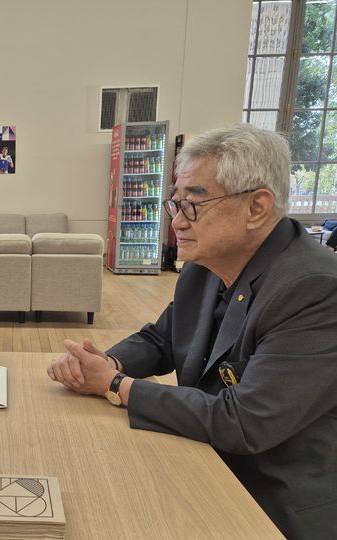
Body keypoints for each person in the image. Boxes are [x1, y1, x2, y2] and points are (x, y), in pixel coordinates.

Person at [47, 123, 337, 539]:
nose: (177, 223)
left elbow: (245, 421)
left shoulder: (315, 288)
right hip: (201, 458)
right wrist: (108, 360)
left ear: (257, 206)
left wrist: (115, 384)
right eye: (175, 205)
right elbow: (162, 338)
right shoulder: (205, 266)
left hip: (271, 504)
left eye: (193, 205)